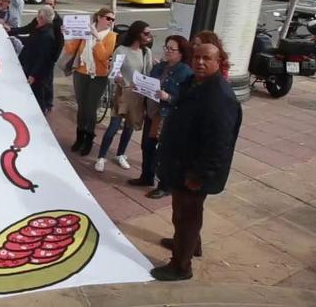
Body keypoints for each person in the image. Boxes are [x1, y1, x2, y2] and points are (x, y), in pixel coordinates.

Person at [150, 43, 242, 281]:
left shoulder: (219, 96)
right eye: (197, 57)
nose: (200, 62)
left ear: (218, 61)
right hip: (181, 164)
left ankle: (181, 266)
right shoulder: (195, 83)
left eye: (207, 58)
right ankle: (190, 245)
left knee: (186, 216)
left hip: (193, 172)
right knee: (185, 214)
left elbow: (219, 144)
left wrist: (198, 176)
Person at [131, 35, 194, 198]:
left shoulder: (186, 72)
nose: (167, 51)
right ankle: (146, 176)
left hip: (167, 116)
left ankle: (164, 185)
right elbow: (148, 84)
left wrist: (168, 97)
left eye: (171, 49)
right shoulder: (160, 67)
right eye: (166, 47)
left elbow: (186, 99)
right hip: (152, 113)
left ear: (181, 53)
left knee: (164, 152)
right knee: (147, 146)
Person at [94, 21, 154, 172]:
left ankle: (121, 154)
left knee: (129, 127)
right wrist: (119, 78)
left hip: (138, 95)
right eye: (145, 33)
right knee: (113, 127)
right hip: (122, 93)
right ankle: (101, 157)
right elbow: (114, 71)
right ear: (136, 33)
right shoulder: (121, 50)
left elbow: (148, 74)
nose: (148, 36)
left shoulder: (146, 52)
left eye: (149, 33)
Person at [63, 8, 118, 156]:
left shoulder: (111, 36)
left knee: (91, 108)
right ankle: (79, 137)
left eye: (113, 20)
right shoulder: (85, 31)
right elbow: (70, 50)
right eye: (108, 18)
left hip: (99, 76)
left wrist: (97, 39)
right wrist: (68, 35)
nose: (110, 22)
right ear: (99, 17)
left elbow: (103, 56)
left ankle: (89, 138)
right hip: (81, 73)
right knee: (81, 107)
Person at [8, 0, 64, 112]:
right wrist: (12, 31)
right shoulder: (40, 24)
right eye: (46, 3)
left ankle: (45, 108)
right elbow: (27, 31)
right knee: (36, 89)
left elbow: (57, 44)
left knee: (41, 89)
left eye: (50, 4)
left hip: (43, 63)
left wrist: (34, 74)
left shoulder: (53, 27)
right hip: (32, 61)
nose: (48, 5)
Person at [18, 5, 58, 112]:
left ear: (44, 19)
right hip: (30, 66)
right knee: (34, 95)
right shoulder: (40, 29)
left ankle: (40, 118)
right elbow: (30, 41)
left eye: (39, 17)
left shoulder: (46, 35)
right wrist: (14, 35)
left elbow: (42, 57)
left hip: (36, 71)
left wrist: (33, 74)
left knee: (37, 96)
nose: (37, 19)